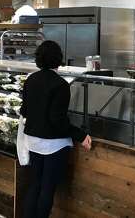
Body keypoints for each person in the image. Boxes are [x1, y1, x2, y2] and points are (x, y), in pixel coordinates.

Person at [20, 40, 91, 218]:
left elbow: (24, 110)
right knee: (47, 188)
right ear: (58, 59)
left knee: (34, 185)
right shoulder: (61, 85)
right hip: (53, 145)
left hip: (33, 141)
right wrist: (81, 135)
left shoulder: (30, 80)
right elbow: (57, 120)